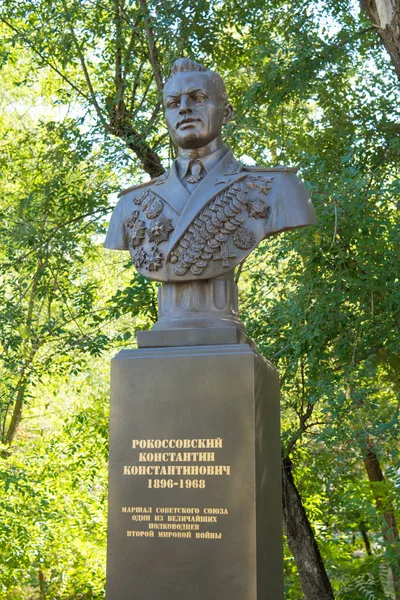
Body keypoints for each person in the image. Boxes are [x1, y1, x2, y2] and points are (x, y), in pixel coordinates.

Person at [104, 58, 316, 282]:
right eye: (174, 103)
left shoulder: (279, 188)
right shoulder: (130, 204)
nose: (184, 108)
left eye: (198, 98)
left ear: (226, 113)